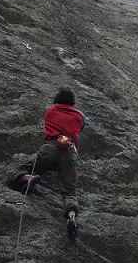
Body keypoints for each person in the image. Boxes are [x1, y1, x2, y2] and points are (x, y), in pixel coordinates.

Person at [6, 87, 85, 235]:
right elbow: (80, 128)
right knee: (69, 191)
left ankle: (28, 177)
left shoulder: (51, 111)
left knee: (16, 171)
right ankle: (71, 216)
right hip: (68, 154)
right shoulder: (79, 116)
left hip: (49, 149)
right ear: (72, 102)